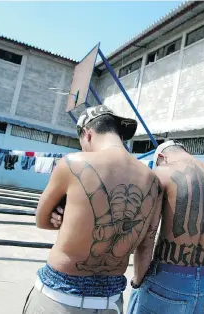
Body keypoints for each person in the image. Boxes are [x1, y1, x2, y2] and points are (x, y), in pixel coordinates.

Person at [22, 105, 163, 314]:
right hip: (109, 302)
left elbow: (41, 219)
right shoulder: (152, 180)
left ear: (87, 135)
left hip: (58, 297)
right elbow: (145, 244)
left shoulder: (73, 163)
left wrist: (62, 218)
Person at [127, 140, 204, 314]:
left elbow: (148, 237)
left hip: (166, 278)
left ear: (161, 157)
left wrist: (137, 280)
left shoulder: (162, 173)